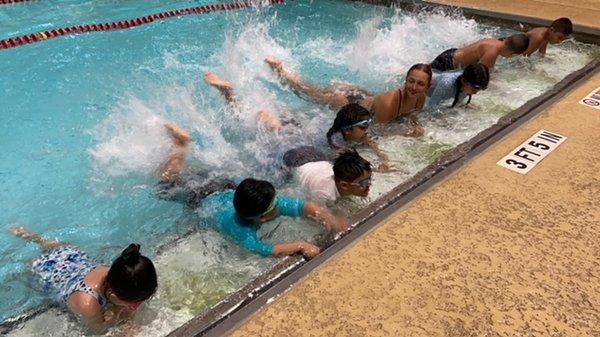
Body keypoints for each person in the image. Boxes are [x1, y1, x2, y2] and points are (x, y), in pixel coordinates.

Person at [156, 123, 348, 259]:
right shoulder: (240, 230)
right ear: (263, 217)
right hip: (206, 194)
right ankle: (179, 146)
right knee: (165, 185)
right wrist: (301, 245)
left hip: (223, 188)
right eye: (276, 202)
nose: (280, 202)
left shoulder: (261, 206)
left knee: (174, 181)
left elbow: (303, 206)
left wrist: (328, 218)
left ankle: (180, 145)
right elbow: (265, 249)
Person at [9, 227, 157, 334]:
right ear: (113, 294)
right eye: (134, 302)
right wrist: (118, 312)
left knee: (52, 245)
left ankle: (34, 237)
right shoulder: (87, 304)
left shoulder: (119, 271)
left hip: (68, 256)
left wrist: (125, 306)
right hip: (42, 271)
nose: (138, 305)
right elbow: (97, 330)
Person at [265, 57, 432, 136]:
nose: (414, 87)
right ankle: (281, 72)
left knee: (315, 91)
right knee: (308, 93)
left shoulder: (420, 98)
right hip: (348, 102)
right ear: (405, 80)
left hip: (364, 97)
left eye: (420, 84)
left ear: (427, 86)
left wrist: (416, 124)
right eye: (411, 81)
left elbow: (410, 113)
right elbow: (376, 132)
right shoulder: (389, 104)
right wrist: (407, 134)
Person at [282, 147, 372, 204]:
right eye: (364, 183)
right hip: (295, 161)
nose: (369, 185)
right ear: (344, 185)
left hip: (317, 156)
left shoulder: (347, 179)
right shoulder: (323, 193)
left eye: (370, 178)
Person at [326, 103, 391, 171]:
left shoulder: (360, 134)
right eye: (363, 128)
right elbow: (354, 165)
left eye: (368, 126)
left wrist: (382, 157)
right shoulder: (337, 144)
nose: (367, 131)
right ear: (347, 130)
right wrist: (377, 169)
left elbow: (370, 143)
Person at [430, 33, 529, 72]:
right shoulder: (492, 52)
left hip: (451, 54)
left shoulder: (494, 41)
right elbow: (481, 75)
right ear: (512, 53)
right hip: (448, 63)